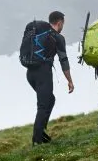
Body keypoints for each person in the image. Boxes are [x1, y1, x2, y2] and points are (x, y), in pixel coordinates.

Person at [25, 10, 75, 146]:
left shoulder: (36, 31)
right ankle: (37, 140)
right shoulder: (58, 37)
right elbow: (63, 60)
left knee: (50, 100)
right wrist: (69, 80)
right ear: (59, 22)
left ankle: (40, 132)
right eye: (63, 23)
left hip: (30, 73)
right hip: (43, 73)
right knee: (43, 104)